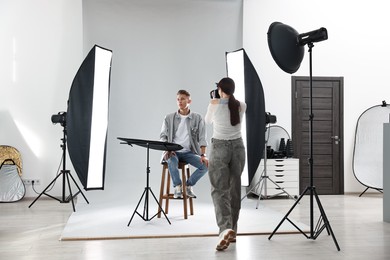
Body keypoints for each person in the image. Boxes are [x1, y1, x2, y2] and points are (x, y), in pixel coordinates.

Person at [205, 77, 246, 251]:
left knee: (219, 190)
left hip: (219, 147)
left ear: (220, 89)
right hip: (238, 148)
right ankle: (233, 230)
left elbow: (207, 121)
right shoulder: (241, 105)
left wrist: (214, 100)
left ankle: (224, 230)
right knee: (234, 189)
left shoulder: (214, 104)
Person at [160, 89, 208, 199]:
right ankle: (177, 186)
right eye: (178, 99)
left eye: (182, 99)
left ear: (189, 101)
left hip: (189, 152)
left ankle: (188, 185)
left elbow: (202, 138)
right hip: (173, 151)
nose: (180, 101)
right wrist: (168, 149)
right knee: (171, 160)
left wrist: (203, 155)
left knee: (205, 166)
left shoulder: (197, 118)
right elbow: (163, 136)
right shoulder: (168, 118)